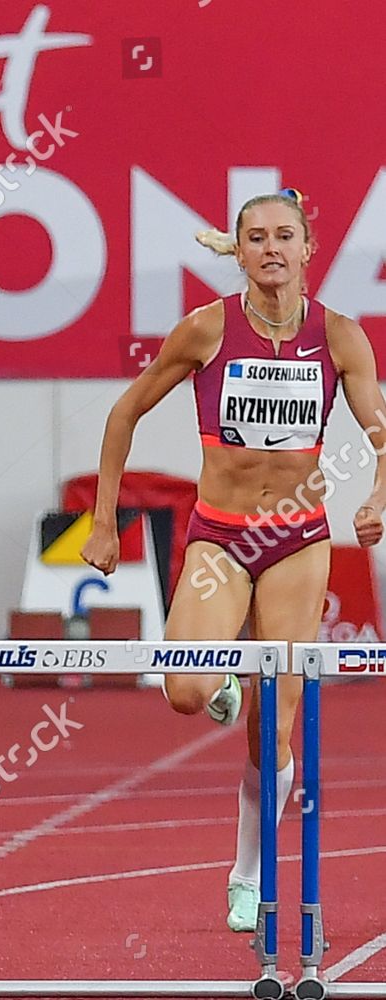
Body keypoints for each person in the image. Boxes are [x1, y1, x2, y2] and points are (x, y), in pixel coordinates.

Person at [81, 188, 386, 931]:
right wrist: (101, 522)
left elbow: (381, 429)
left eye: (286, 236)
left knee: (271, 727)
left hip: (297, 542)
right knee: (184, 692)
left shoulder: (340, 337)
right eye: (256, 238)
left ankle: (247, 872)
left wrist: (379, 494)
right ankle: (216, 679)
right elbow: (125, 412)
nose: (271, 248)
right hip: (221, 537)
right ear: (240, 250)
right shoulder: (205, 329)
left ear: (310, 249)